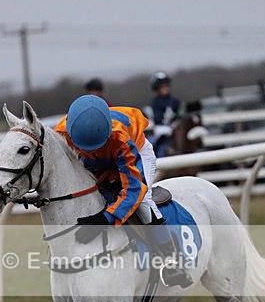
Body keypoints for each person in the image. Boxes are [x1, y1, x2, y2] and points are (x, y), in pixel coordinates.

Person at [54, 95, 191, 288]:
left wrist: (107, 218)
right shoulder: (61, 133)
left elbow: (134, 189)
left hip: (136, 151)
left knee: (143, 200)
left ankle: (171, 261)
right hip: (97, 159)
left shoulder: (120, 138)